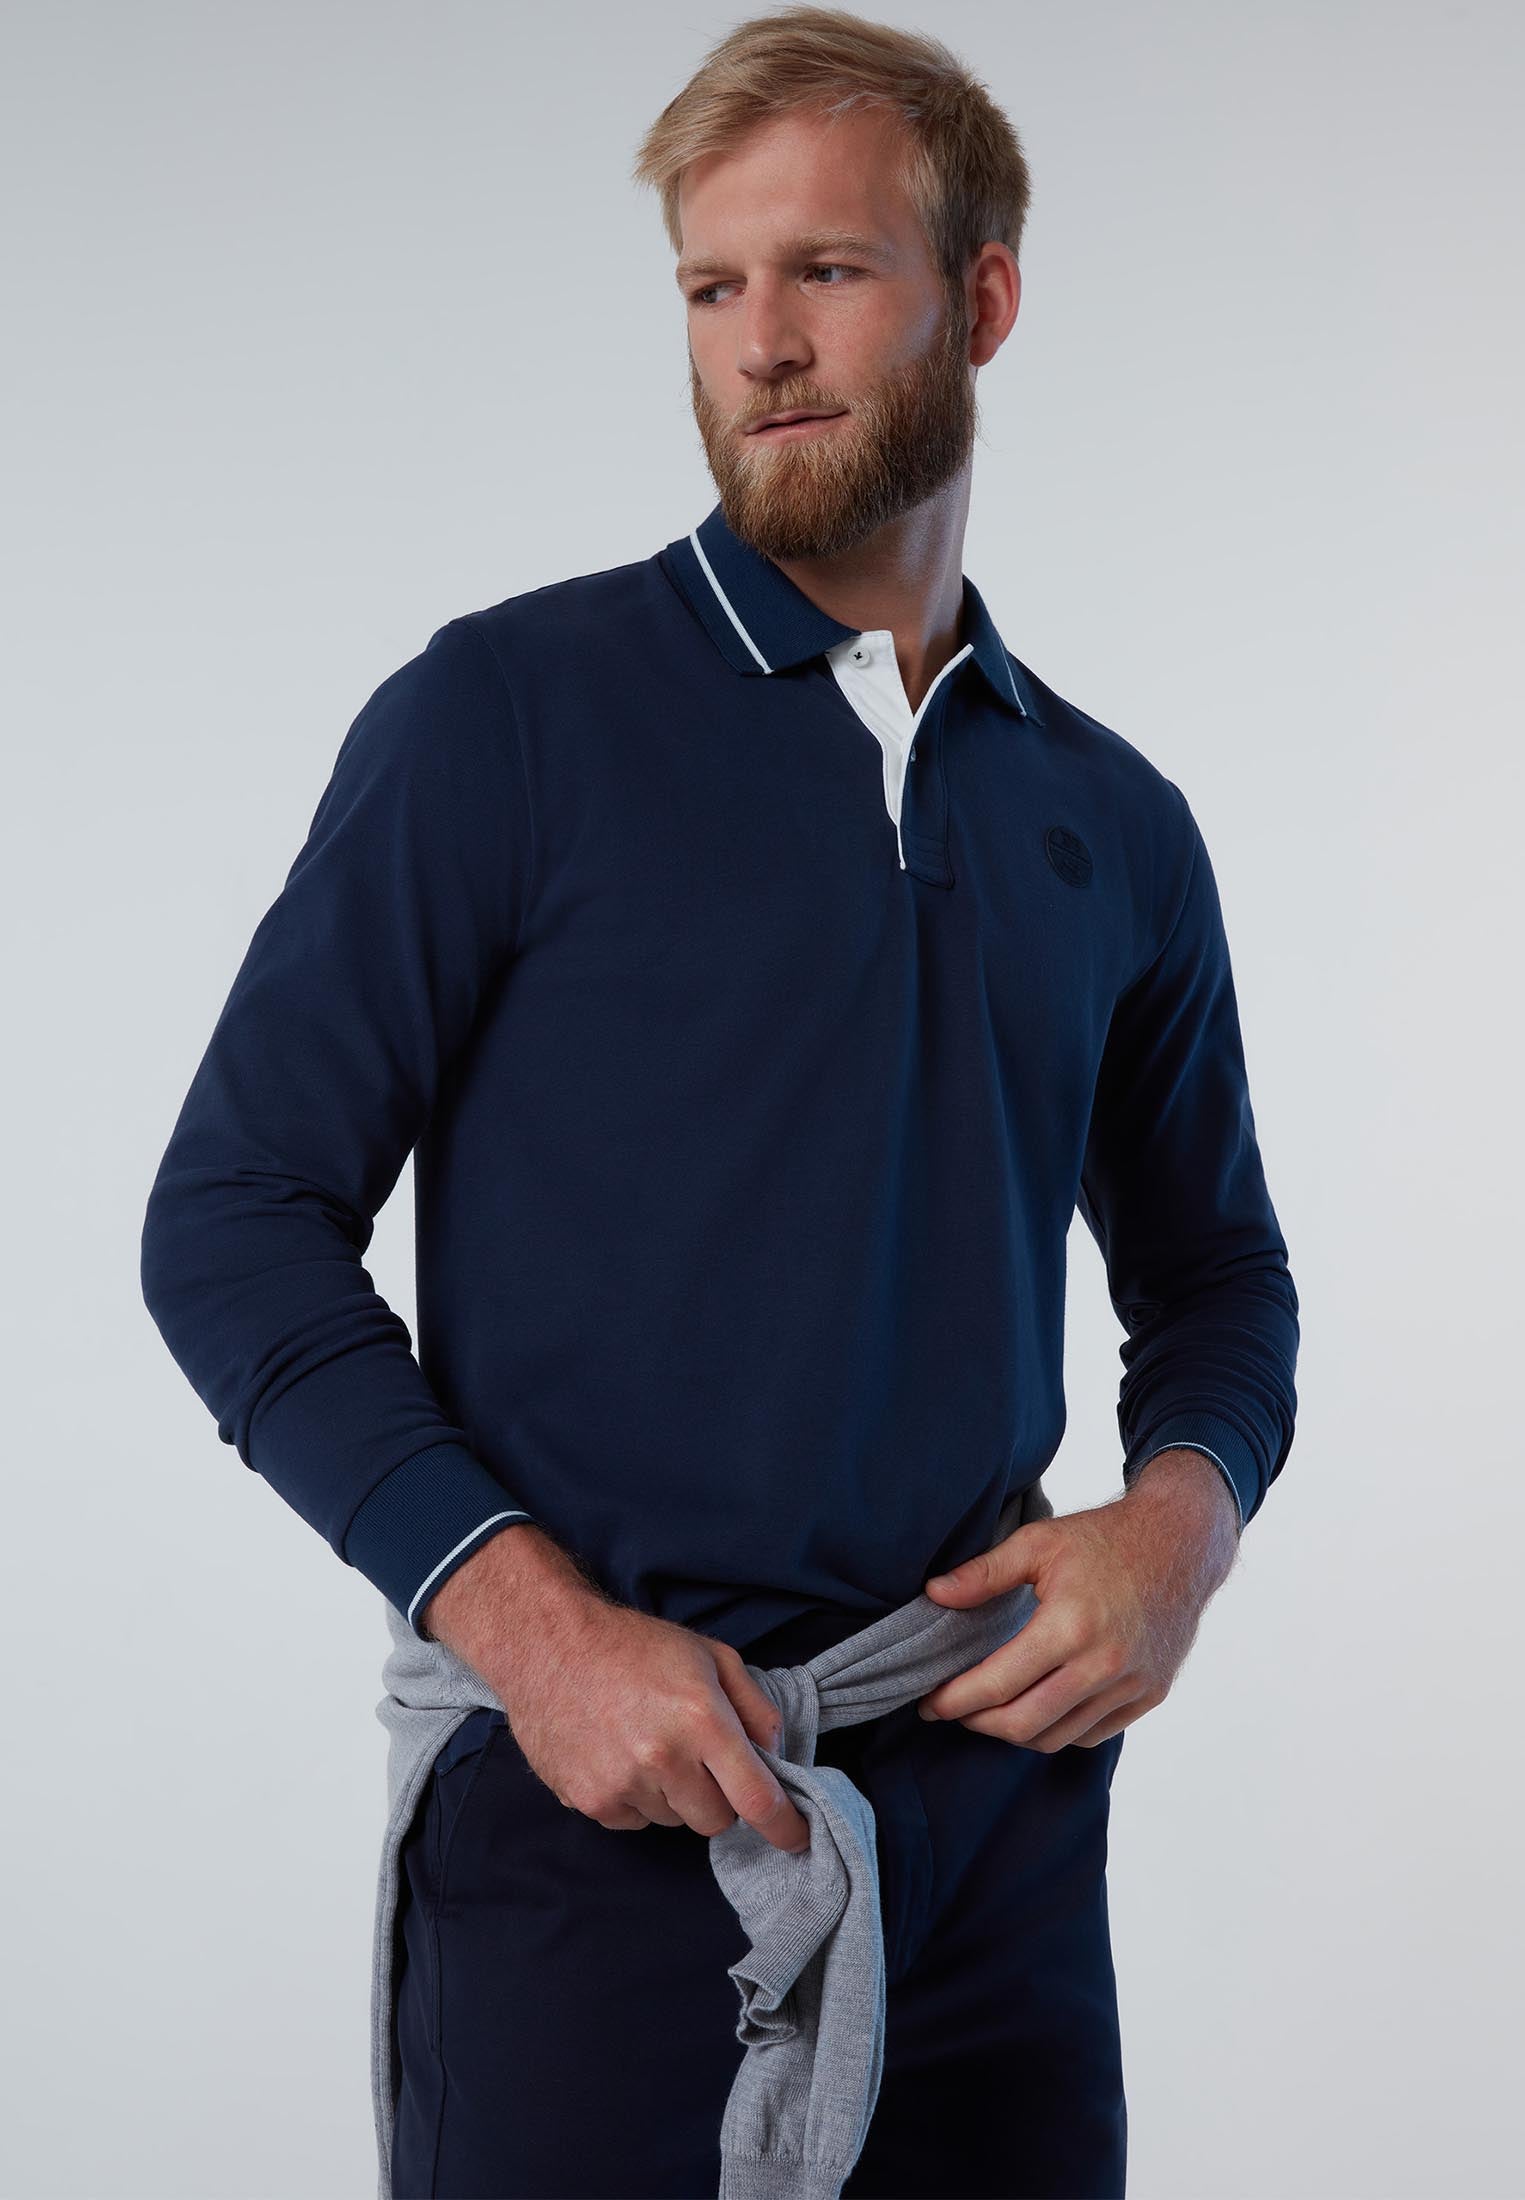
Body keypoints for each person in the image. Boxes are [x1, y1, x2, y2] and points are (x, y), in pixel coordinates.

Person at [141, 8, 1299, 2196]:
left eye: (826, 272)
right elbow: (231, 1219)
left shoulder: (1111, 820)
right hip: (589, 1813)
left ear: (982, 298)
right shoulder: (503, 716)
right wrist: (535, 1636)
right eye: (709, 284)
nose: (757, 343)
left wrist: (1178, 1528)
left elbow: (1219, 1272)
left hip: (993, 1835)